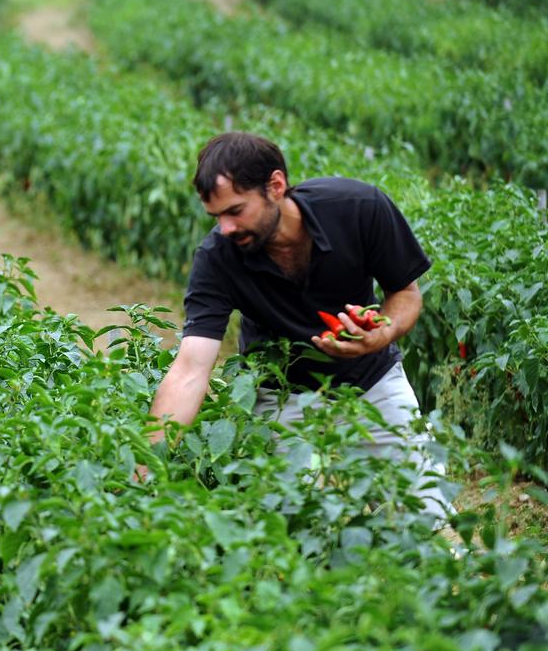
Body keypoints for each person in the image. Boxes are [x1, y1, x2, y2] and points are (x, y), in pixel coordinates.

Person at [148, 131, 452, 522]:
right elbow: (190, 369)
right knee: (287, 524)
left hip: (372, 379)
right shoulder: (218, 258)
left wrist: (383, 332)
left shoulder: (357, 207)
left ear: (276, 186)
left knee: (426, 512)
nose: (224, 227)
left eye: (235, 211)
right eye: (216, 217)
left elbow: (406, 293)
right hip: (281, 396)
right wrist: (147, 465)